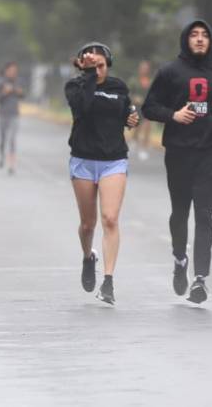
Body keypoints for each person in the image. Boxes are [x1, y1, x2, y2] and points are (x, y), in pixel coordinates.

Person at [142, 20, 212, 304]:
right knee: (180, 211)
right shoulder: (170, 72)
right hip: (178, 150)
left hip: (210, 150)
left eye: (205, 35)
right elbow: (150, 107)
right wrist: (173, 115)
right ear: (186, 39)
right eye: (194, 35)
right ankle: (179, 259)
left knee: (205, 214)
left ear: (211, 41)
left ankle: (200, 279)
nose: (199, 39)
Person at [65, 43, 139, 305]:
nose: (98, 71)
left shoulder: (118, 87)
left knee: (110, 219)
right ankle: (88, 257)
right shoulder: (75, 87)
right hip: (84, 160)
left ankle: (108, 281)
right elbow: (83, 109)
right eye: (92, 66)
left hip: (113, 160)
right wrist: (88, 76)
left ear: (108, 65)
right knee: (88, 224)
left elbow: (126, 112)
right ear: (82, 66)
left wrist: (131, 118)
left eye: (101, 66)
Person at [0, 62, 24, 175]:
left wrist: (19, 92)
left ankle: (11, 164)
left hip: (14, 114)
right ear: (6, 71)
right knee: (3, 138)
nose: (13, 73)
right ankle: (2, 156)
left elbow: (23, 95)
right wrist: (4, 93)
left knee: (12, 139)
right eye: (11, 70)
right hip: (2, 114)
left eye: (15, 71)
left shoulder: (18, 82)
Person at [131, 60, 154, 160]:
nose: (144, 70)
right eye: (142, 68)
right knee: (138, 127)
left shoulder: (151, 81)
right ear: (139, 69)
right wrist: (134, 98)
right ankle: (134, 141)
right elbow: (129, 93)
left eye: (146, 68)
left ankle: (143, 149)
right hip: (137, 107)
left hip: (148, 106)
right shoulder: (134, 80)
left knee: (147, 126)